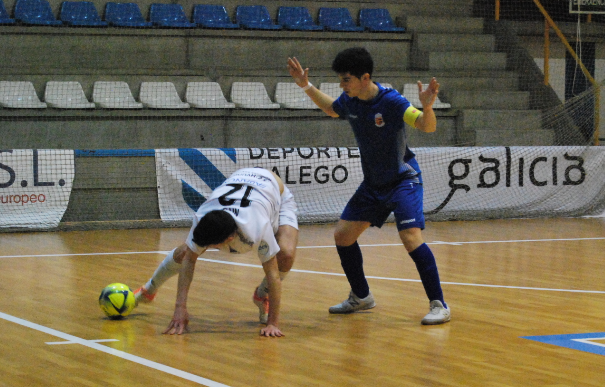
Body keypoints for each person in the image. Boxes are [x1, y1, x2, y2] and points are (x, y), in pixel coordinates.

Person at [287, 47, 450, 325]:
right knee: (343, 235)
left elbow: (426, 126)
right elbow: (330, 108)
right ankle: (362, 296)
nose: (342, 85)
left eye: (346, 80)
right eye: (340, 80)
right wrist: (306, 86)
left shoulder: (392, 102)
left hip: (402, 180)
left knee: (410, 238)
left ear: (365, 78)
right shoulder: (350, 100)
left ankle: (439, 305)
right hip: (373, 184)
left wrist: (429, 107)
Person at [134, 167, 299, 337]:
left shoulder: (258, 227)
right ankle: (148, 290)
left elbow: (273, 274)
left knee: (285, 255)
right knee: (185, 252)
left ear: (228, 240)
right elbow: (189, 260)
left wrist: (273, 323)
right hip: (243, 182)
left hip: (276, 194)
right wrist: (179, 308)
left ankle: (261, 295)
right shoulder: (203, 216)